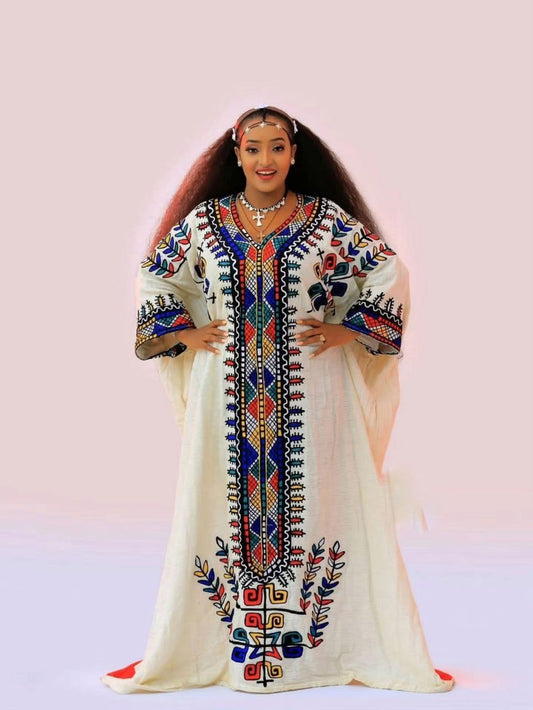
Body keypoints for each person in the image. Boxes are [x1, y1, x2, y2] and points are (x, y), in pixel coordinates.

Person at [100, 106, 455, 695]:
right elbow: (155, 276)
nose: (265, 160)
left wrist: (349, 328)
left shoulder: (325, 221)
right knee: (216, 503)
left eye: (277, 148)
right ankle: (219, 645)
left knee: (326, 501)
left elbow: (387, 271)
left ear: (294, 154)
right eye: (254, 148)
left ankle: (327, 647)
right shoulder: (206, 223)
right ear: (237, 154)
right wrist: (186, 332)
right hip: (224, 394)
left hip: (316, 394)